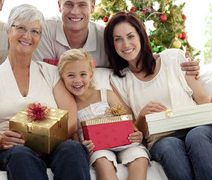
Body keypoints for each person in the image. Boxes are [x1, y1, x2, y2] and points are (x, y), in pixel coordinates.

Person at [0, 4, 91, 180]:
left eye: (35, 31)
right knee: (22, 155)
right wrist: (0, 142)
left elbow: (71, 117)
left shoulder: (50, 73)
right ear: (7, 31)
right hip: (12, 152)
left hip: (52, 146)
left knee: (74, 149)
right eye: (21, 28)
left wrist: (46, 138)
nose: (27, 36)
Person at [104, 11, 212, 180]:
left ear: (141, 36)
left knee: (196, 136)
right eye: (118, 39)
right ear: (112, 45)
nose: (126, 44)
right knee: (168, 145)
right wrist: (142, 116)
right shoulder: (118, 80)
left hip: (205, 133)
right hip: (162, 141)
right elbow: (133, 134)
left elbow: (202, 100)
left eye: (130, 36)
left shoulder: (173, 58)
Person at [33, 0, 201, 73]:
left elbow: (135, 58)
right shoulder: (43, 30)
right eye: (69, 4)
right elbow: (32, 72)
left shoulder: (105, 37)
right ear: (59, 5)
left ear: (92, 7)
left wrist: (176, 62)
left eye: (82, 5)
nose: (75, 12)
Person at [58, 48, 149, 180]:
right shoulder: (70, 105)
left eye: (83, 74)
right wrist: (82, 148)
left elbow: (126, 122)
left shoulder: (106, 95)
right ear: (62, 78)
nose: (77, 80)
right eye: (71, 75)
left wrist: (136, 134)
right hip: (97, 148)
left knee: (140, 158)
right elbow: (74, 134)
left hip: (124, 143)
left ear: (91, 75)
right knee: (102, 161)